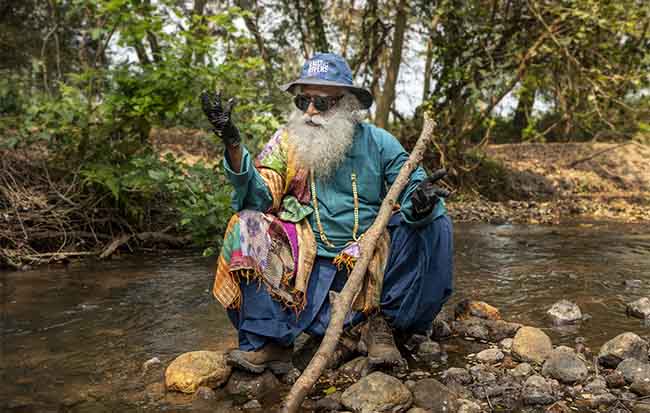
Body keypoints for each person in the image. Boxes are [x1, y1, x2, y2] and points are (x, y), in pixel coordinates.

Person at [201, 52, 453, 375]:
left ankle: (385, 326)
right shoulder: (287, 143)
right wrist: (233, 145)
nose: (309, 111)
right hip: (310, 279)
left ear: (347, 105)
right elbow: (257, 197)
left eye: (321, 104)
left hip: (372, 270)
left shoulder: (380, 143)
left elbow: (415, 184)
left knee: (434, 221)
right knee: (247, 223)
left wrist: (420, 202)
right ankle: (270, 342)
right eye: (303, 100)